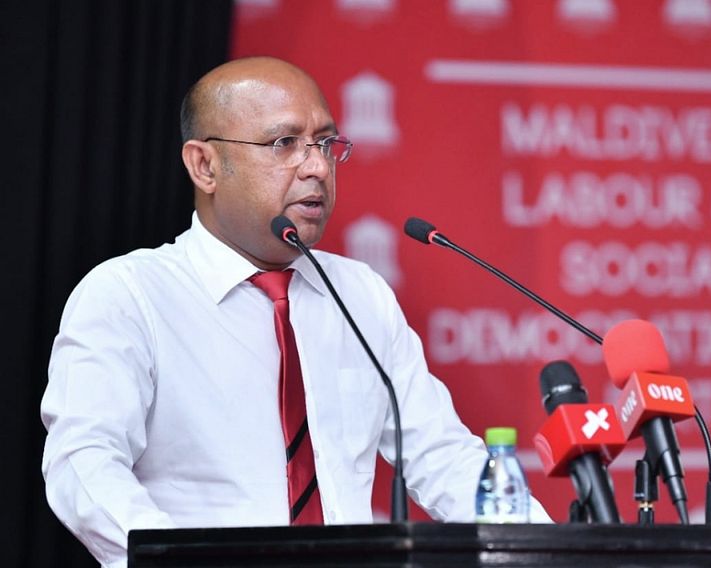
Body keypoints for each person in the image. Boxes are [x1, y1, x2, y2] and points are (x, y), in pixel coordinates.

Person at [40, 56, 549, 568]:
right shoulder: (130, 295)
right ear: (204, 166)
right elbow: (83, 463)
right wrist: (176, 560)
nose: (317, 168)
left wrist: (549, 550)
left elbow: (441, 456)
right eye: (284, 143)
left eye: (325, 144)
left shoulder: (360, 294)